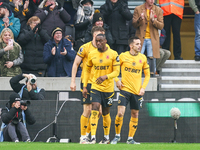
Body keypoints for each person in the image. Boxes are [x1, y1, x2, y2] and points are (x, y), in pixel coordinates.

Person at [110, 36, 150, 144]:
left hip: (137, 92)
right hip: (124, 90)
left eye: (140, 44)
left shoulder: (143, 58)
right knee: (120, 113)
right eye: (137, 44)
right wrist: (116, 80)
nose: (139, 46)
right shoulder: (123, 56)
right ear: (131, 46)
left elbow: (147, 75)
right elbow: (113, 68)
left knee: (135, 114)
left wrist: (143, 88)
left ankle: (130, 139)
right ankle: (117, 136)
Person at [70, 26, 105, 144]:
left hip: (99, 83)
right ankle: (83, 136)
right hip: (87, 82)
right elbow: (75, 64)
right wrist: (73, 81)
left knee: (99, 111)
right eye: (98, 34)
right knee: (87, 109)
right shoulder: (85, 47)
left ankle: (88, 133)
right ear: (94, 35)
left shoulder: (105, 49)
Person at [82, 33, 120, 144]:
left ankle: (106, 137)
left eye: (100, 41)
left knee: (105, 112)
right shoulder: (92, 54)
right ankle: (92, 137)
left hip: (108, 88)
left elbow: (117, 72)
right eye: (96, 41)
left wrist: (105, 77)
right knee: (95, 107)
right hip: (95, 86)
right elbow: (87, 70)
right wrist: (85, 86)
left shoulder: (113, 54)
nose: (98, 43)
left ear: (105, 41)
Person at [132, 0, 164, 76]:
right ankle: (136, 73)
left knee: (151, 58)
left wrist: (153, 20)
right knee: (138, 56)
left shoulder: (158, 10)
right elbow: (134, 24)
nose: (152, 1)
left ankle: (150, 75)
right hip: (140, 38)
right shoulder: (138, 9)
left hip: (152, 38)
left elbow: (161, 26)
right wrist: (140, 20)